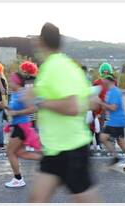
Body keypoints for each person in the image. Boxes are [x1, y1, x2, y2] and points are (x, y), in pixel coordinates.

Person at [23, 23, 101, 202]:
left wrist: (37, 100)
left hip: (71, 150)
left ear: (41, 41)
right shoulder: (68, 66)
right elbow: (93, 102)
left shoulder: (55, 67)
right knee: (36, 200)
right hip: (54, 150)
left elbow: (72, 106)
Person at [4, 72, 42, 188]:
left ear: (17, 82)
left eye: (11, 81)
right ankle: (49, 160)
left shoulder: (23, 93)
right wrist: (5, 107)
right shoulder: (15, 93)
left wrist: (17, 112)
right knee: (20, 153)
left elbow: (33, 108)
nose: (9, 83)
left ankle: (18, 179)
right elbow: (14, 110)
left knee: (10, 152)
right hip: (17, 125)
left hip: (21, 126)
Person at [97, 75, 125, 171]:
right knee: (104, 138)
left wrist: (101, 103)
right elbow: (108, 107)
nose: (103, 84)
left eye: (105, 82)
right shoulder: (109, 92)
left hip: (118, 122)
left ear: (110, 81)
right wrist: (101, 105)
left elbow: (113, 107)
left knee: (121, 143)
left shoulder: (115, 92)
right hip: (113, 121)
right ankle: (117, 157)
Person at [19, 61, 39, 131]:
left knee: (34, 126)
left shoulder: (36, 80)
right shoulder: (22, 81)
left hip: (34, 106)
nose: (23, 72)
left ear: (29, 70)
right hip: (25, 107)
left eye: (24, 71)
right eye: (23, 71)